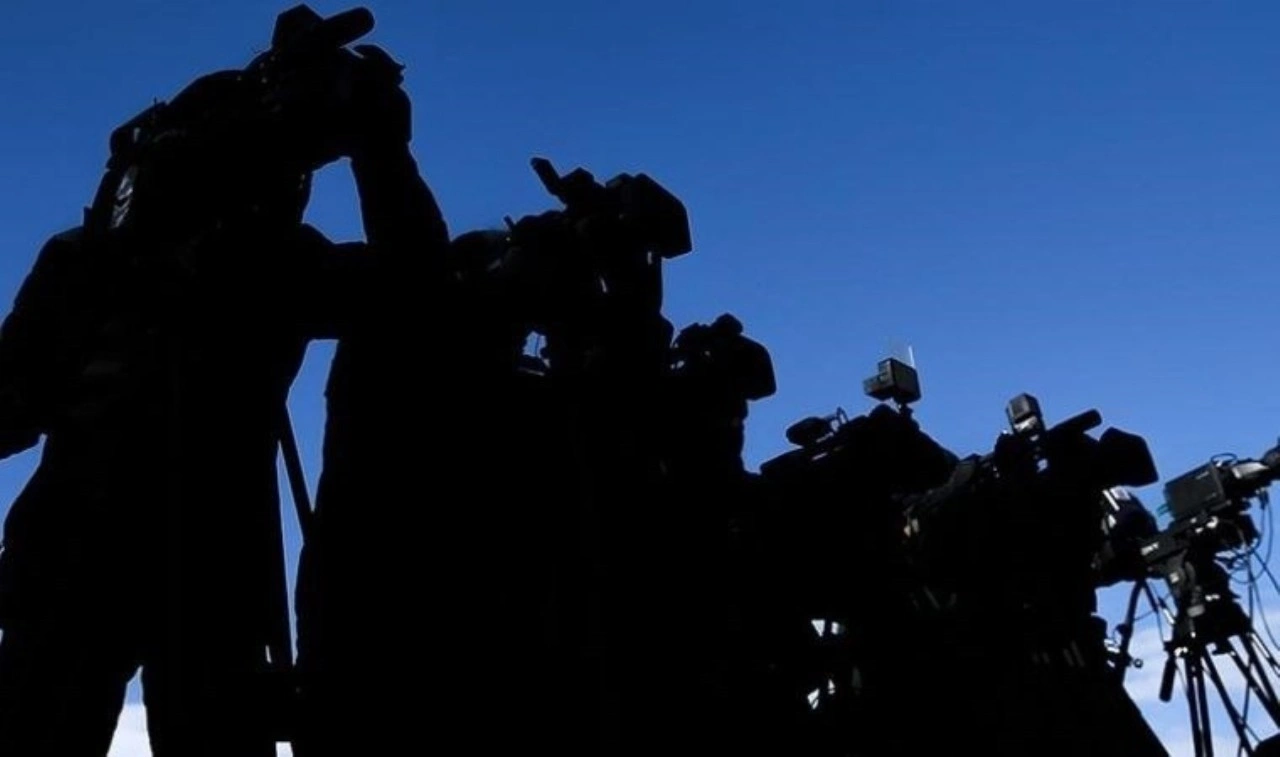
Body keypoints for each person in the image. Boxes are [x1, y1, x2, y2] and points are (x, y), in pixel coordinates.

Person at [0, 8, 429, 754]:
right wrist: (380, 148)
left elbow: (415, 290)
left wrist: (379, 146)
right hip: (145, 572)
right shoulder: (122, 262)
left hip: (164, 577)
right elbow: (417, 281)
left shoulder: (244, 262)